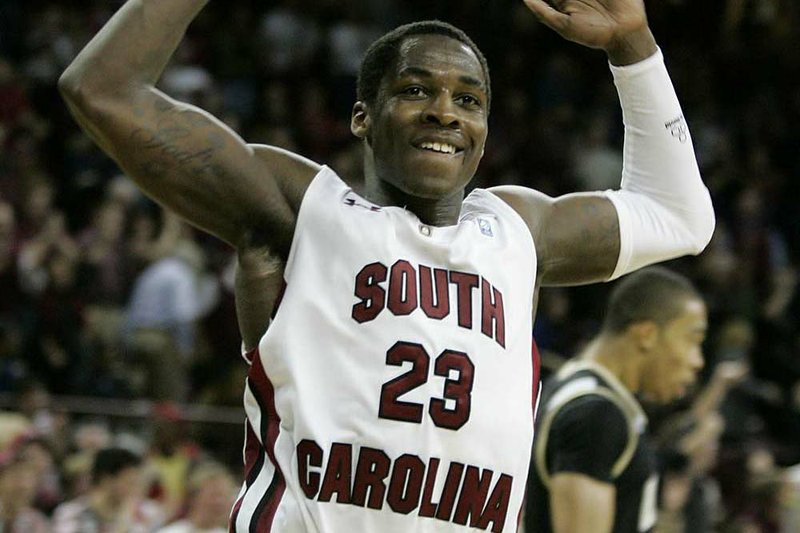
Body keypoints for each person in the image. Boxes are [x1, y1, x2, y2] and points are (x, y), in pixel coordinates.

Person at [58, 0, 715, 531]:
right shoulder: (299, 208)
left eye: (468, 99)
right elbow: (103, 88)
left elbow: (681, 215)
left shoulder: (517, 231)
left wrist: (633, 47)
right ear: (362, 116)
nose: (444, 112)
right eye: (416, 89)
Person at [525, 267, 708, 533]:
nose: (697, 361)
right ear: (647, 334)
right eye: (693, 340)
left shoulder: (576, 389)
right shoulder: (596, 413)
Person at [51, 446, 164, 533]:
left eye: (136, 482)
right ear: (107, 480)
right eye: (129, 482)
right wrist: (122, 524)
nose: (135, 488)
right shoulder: (70, 514)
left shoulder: (149, 514)